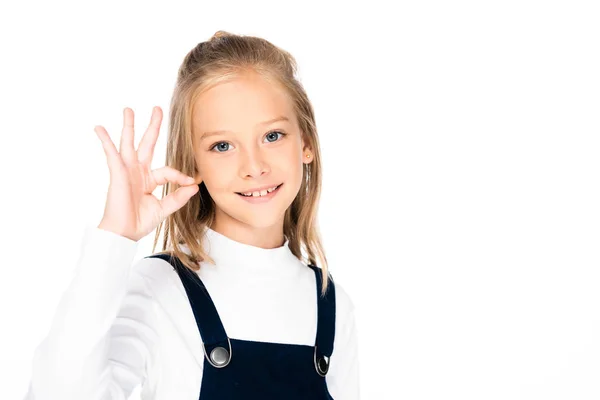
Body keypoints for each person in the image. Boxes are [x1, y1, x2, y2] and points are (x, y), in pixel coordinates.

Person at [24, 30, 360, 399]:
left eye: (273, 136)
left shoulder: (332, 304)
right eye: (222, 145)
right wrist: (115, 236)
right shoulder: (159, 286)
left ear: (307, 144)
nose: (254, 166)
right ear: (193, 164)